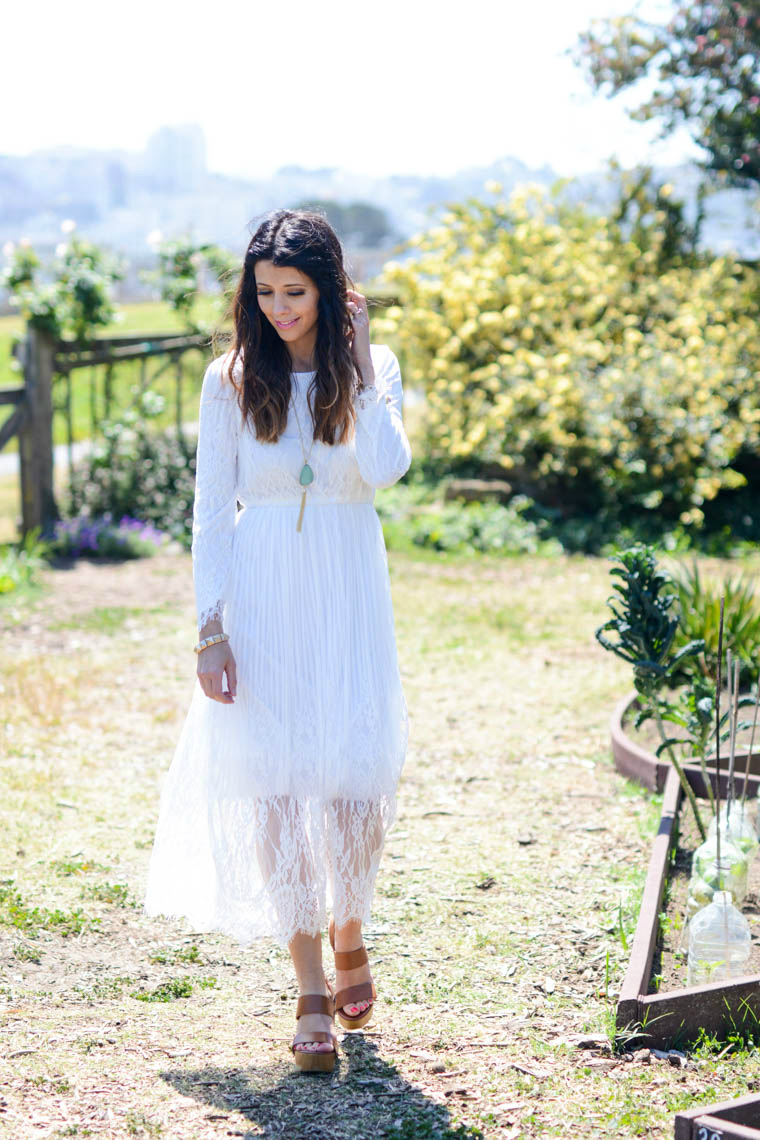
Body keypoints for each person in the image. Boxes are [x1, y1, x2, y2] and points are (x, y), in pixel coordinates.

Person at [142, 208, 412, 1072]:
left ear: (332, 291)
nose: (278, 308)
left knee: (353, 775)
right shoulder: (228, 379)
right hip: (261, 590)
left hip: (348, 584)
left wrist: (363, 361)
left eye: (295, 292)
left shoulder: (372, 367)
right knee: (276, 779)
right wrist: (209, 633)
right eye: (264, 292)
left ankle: (350, 928)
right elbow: (210, 515)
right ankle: (306, 985)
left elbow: (386, 467)